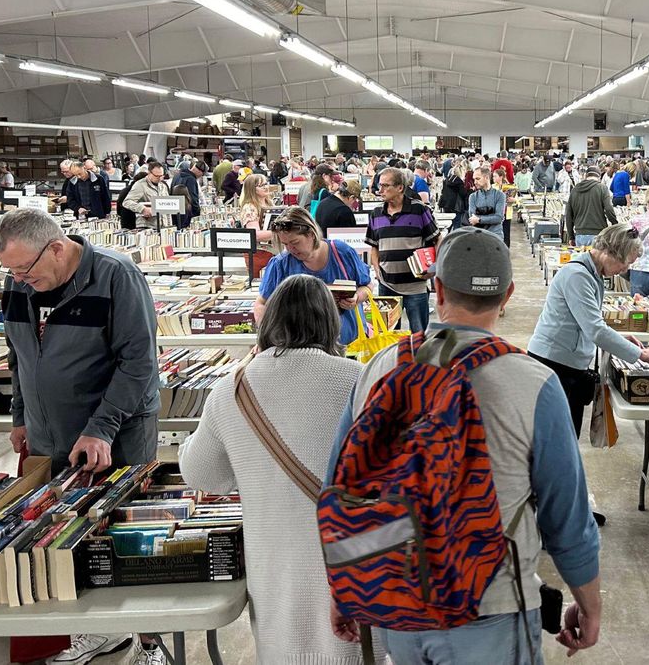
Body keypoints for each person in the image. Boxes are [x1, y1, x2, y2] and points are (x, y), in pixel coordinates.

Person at [332, 227, 602, 663]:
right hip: (492, 603)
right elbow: (567, 519)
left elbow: (343, 486)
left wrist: (346, 589)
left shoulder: (383, 367)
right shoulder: (536, 384)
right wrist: (590, 604)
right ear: (509, 294)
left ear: (436, 287)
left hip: (398, 599)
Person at [179, 275, 387, 665]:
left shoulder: (232, 388)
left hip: (275, 567)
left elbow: (199, 473)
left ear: (268, 321)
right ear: (330, 323)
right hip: (352, 565)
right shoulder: (360, 381)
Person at [0, 208, 162, 665]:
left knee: (125, 537)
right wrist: (19, 414)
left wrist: (101, 428)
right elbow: (17, 355)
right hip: (51, 437)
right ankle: (98, 631)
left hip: (118, 433)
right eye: (10, 271)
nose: (20, 280)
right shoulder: (20, 284)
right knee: (69, 536)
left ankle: (150, 641)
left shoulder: (115, 277)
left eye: (25, 268)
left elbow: (140, 363)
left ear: (56, 247)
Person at [530, 223, 649, 435]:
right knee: (557, 437)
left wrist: (621, 337)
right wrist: (639, 354)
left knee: (566, 434)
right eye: (624, 263)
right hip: (555, 364)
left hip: (566, 363)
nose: (624, 270)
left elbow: (589, 320)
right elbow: (595, 329)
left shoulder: (591, 274)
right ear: (609, 252)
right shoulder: (578, 276)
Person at [258, 209, 372, 346]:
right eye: (285, 244)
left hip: (351, 345)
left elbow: (368, 286)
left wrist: (356, 298)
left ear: (311, 234)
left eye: (295, 242)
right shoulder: (280, 264)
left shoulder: (342, 252)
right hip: (301, 349)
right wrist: (265, 339)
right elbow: (261, 304)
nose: (290, 249)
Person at [367, 168, 440, 331]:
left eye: (386, 186)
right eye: (380, 186)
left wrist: (434, 268)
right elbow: (374, 246)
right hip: (387, 287)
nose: (380, 190)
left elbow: (437, 239)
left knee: (419, 334)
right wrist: (377, 269)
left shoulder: (419, 210)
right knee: (388, 335)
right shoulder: (376, 213)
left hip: (415, 287)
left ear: (400, 187)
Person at [565, 167, 617, 246]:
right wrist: (615, 225)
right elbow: (609, 209)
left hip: (580, 235)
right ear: (599, 177)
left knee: (582, 258)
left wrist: (571, 237)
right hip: (598, 234)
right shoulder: (602, 188)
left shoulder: (575, 189)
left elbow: (568, 214)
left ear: (586, 176)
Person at [122, 161, 170, 229]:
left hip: (163, 226)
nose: (159, 178)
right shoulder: (140, 185)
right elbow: (127, 202)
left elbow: (168, 207)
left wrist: (169, 225)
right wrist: (142, 209)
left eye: (161, 176)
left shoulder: (163, 186)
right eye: (157, 176)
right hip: (147, 227)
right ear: (149, 173)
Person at [467, 166, 507, 240]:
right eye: (474, 179)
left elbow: (498, 218)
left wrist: (479, 220)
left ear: (487, 178)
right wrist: (491, 218)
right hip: (478, 236)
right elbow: (472, 219)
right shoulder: (472, 197)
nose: (475, 182)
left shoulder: (500, 195)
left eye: (478, 179)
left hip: (495, 237)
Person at [171, 160, 204, 226]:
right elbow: (194, 198)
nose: (201, 176)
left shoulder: (177, 175)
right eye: (202, 174)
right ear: (199, 171)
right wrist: (197, 214)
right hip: (187, 213)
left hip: (174, 211)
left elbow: (170, 191)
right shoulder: (191, 180)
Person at [492, 167, 517, 248]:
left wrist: (513, 200)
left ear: (501, 177)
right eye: (493, 176)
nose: (493, 178)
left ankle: (506, 250)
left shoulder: (509, 186)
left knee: (506, 233)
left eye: (495, 176)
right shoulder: (492, 187)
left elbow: (517, 200)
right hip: (495, 212)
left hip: (506, 212)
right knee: (495, 232)